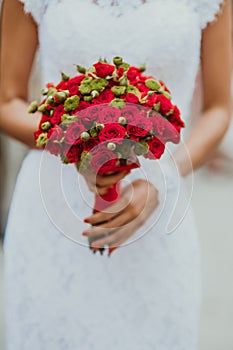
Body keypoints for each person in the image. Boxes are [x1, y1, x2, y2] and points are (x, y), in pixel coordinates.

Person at [0, 0, 231, 349]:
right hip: (52, 215)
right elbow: (6, 100)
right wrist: (77, 141)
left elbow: (218, 109)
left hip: (158, 215)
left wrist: (161, 177)